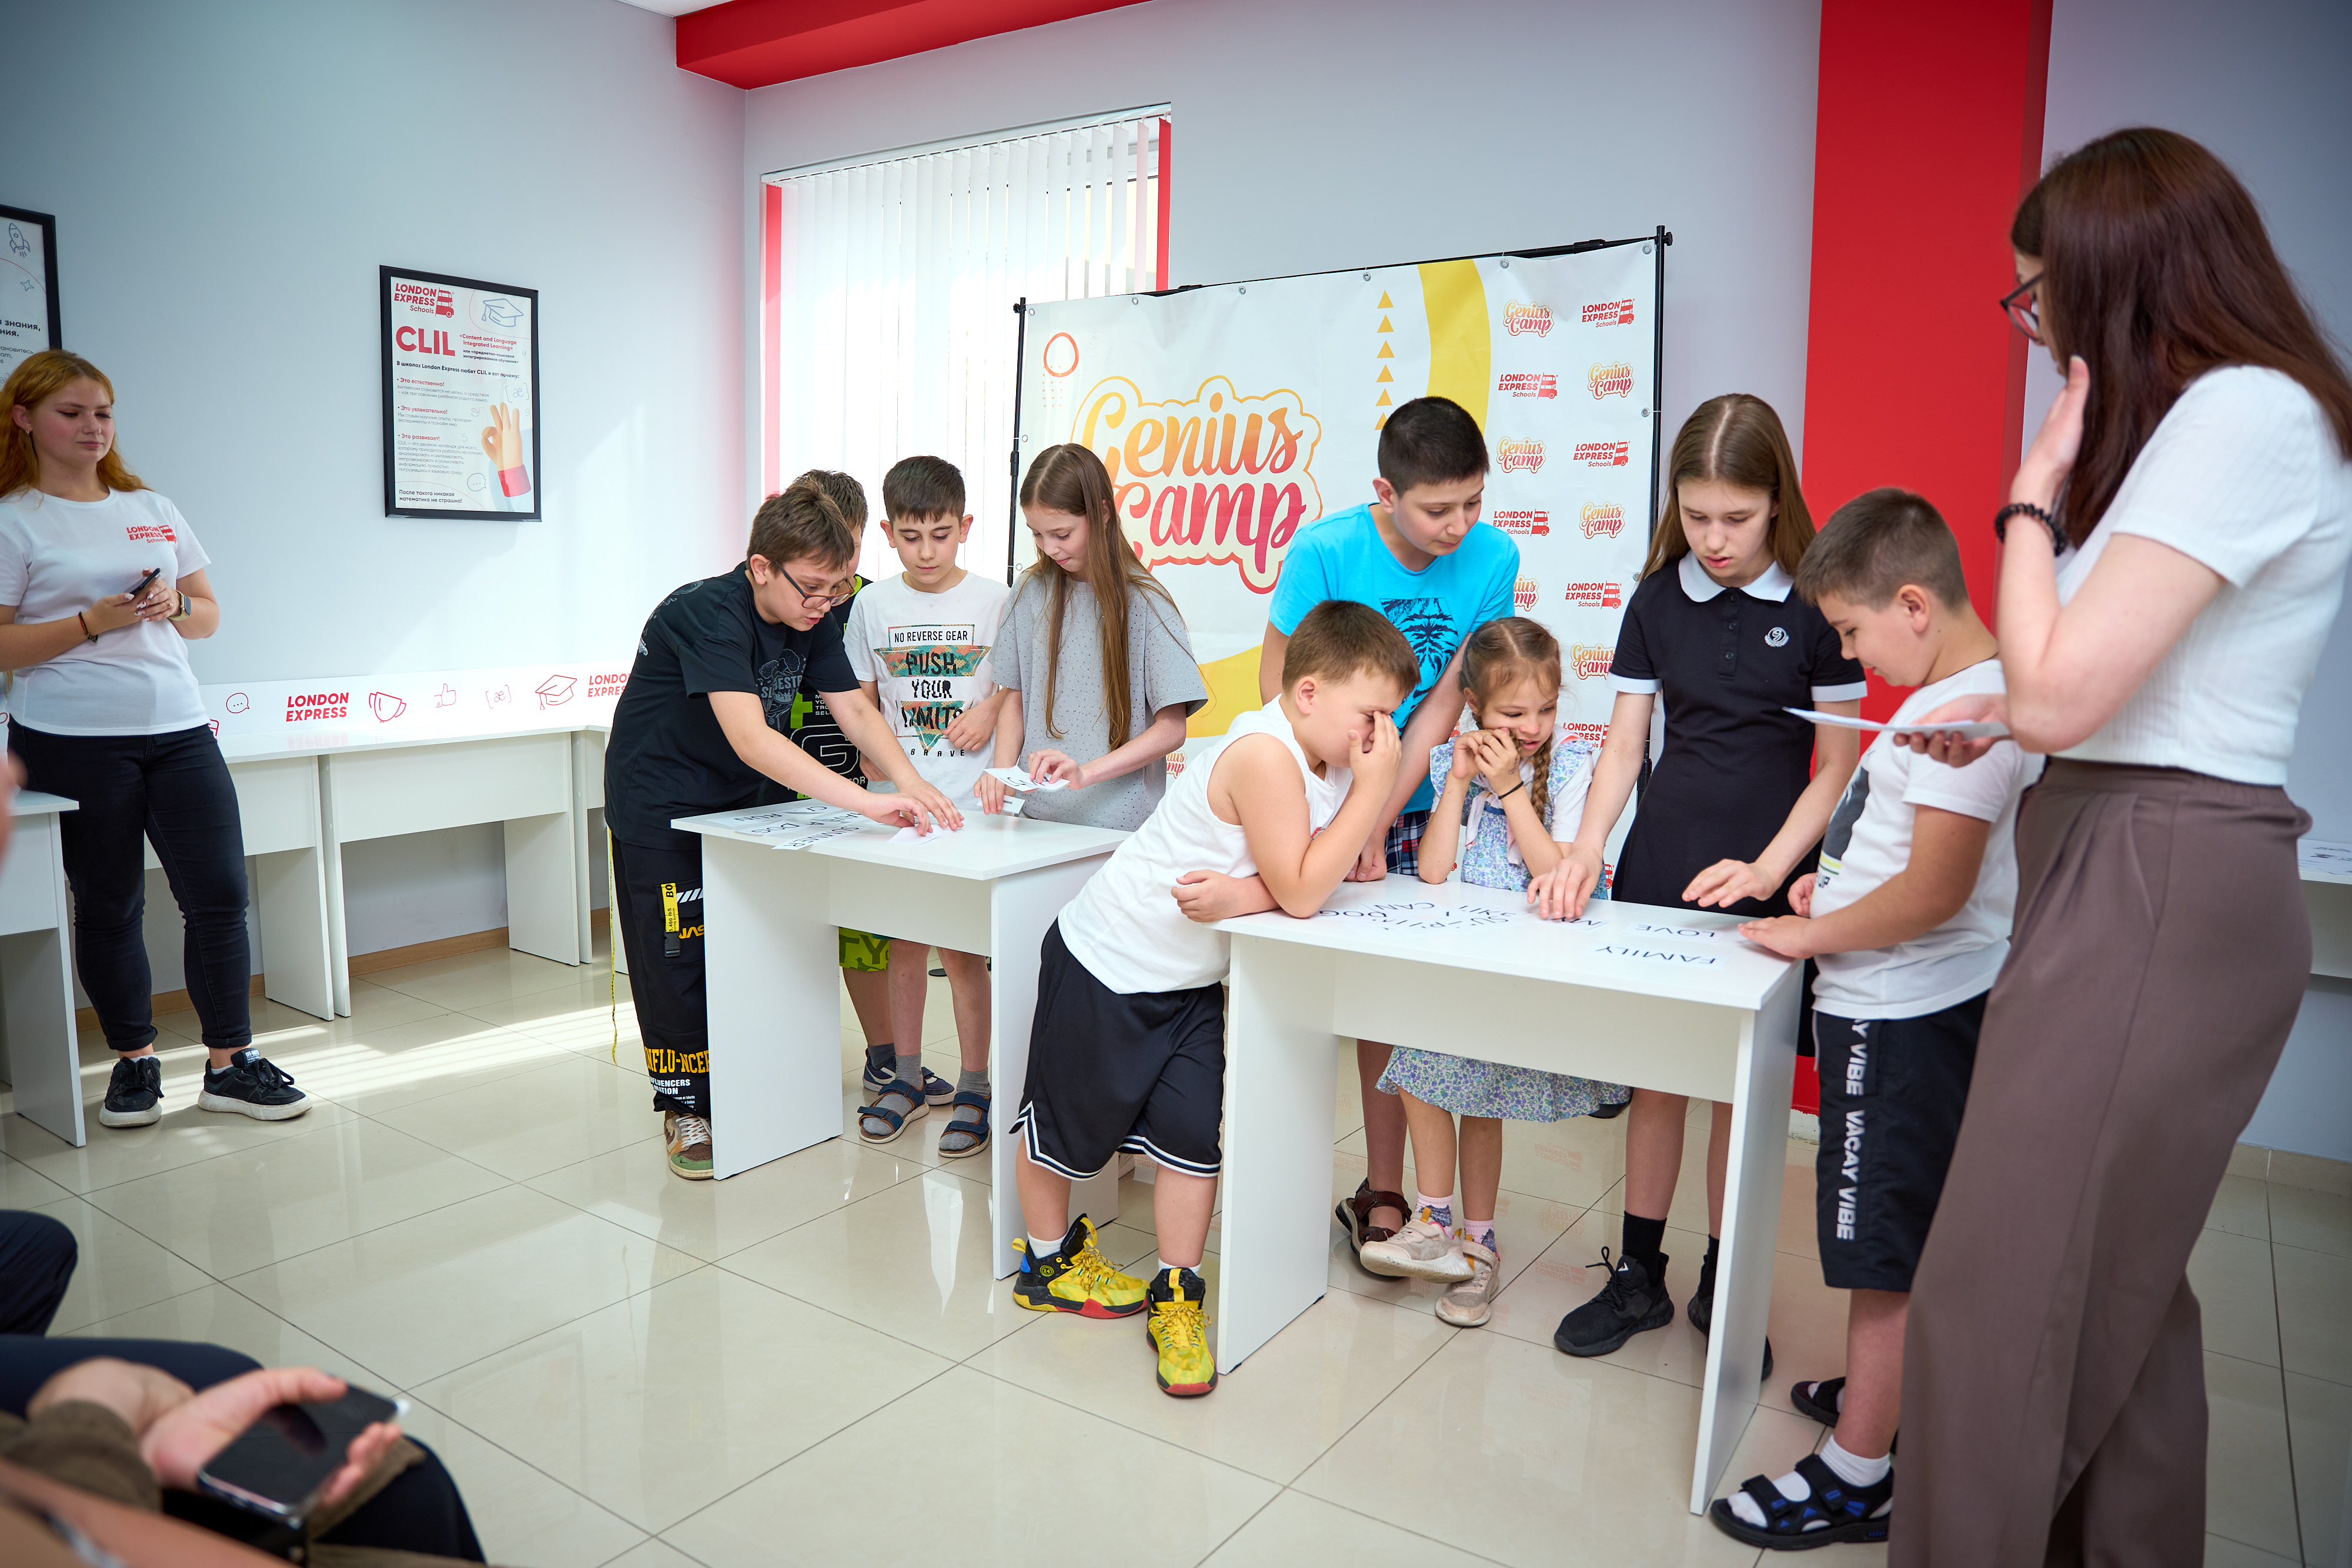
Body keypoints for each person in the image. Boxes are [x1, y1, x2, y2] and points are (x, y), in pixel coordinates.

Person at [1888, 128, 2352, 1566]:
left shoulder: (2243, 412)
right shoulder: (2206, 427)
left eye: (2035, 293)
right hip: (2128, 845)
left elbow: (2061, 691)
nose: (2031, 325)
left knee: (1989, 1294)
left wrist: (2029, 496)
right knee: (2120, 1302)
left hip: (2158, 871)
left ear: (2117, 277)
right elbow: (2095, 691)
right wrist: (2008, 723)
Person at [1702, 489, 2039, 1549]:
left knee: (1877, 1245)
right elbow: (1898, 854)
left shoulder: (1969, 716)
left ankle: (1857, 1471)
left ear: (1913, 605)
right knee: (1887, 1233)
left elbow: (1935, 891)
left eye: (1852, 632)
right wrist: (1830, 890)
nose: (1852, 654)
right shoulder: (1956, 693)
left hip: (1902, 1015)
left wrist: (1808, 932)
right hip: (1894, 1000)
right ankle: (1877, 1404)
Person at [1008, 600, 1416, 1398]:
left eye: (1391, 718)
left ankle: (1177, 1290)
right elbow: (1304, 889)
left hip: (1189, 980)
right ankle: (1048, 1263)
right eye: (1371, 714)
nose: (1382, 734)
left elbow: (1316, 873)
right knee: (1062, 1128)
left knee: (1191, 1140)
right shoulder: (1265, 753)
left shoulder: (1329, 759)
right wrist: (1370, 794)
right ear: (1308, 693)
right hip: (1106, 962)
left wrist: (1245, 893)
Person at [1533, 393, 1865, 1367]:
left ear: (1777, 504)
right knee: (1658, 1075)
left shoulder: (1819, 604)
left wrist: (1771, 867)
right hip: (1664, 861)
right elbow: (1624, 744)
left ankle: (1727, 1277)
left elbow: (1838, 766)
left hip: (1769, 871)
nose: (1715, 539)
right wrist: (1587, 846)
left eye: (1737, 517)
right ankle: (1640, 1272)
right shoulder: (1655, 602)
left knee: (1740, 1088)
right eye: (1696, 515)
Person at [602, 477, 961, 1178]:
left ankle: (755, 1083)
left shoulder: (811, 616)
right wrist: (864, 804)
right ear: (761, 567)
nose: (825, 603)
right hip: (661, 803)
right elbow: (752, 738)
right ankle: (685, 1107)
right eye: (813, 588)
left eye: (837, 588)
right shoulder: (706, 612)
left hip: (744, 803)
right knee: (676, 956)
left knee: (762, 943)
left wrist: (907, 780)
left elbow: (853, 710)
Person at [0, 350, 306, 1131]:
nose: (93, 427)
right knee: (109, 905)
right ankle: (133, 1061)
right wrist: (88, 623)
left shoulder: (152, 505)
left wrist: (174, 605)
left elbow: (207, 615)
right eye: (72, 413)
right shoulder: (13, 518)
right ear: (25, 418)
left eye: (103, 412)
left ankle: (230, 1064)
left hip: (179, 729)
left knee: (221, 896)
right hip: (71, 739)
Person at [1259, 395, 1518, 1263]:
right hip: (1327, 796)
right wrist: (1348, 813)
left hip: (1419, 805)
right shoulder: (1325, 549)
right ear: (1386, 492)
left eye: (1473, 502)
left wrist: (1381, 812)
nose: (1460, 525)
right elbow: (1280, 688)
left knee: (1410, 1007)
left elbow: (1444, 701)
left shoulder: (1494, 556)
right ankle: (1342, 1186)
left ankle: (1410, 1197)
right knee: (1331, 996)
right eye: (1438, 508)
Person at [1358, 616, 1630, 1326]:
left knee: (1480, 1103)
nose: (1532, 726)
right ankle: (1438, 1224)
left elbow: (1558, 874)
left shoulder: (1570, 767)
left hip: (1525, 965)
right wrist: (1457, 783)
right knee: (1418, 1070)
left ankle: (1473, 1244)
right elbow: (1434, 870)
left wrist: (1510, 788)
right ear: (1474, 704)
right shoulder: (1457, 760)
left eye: (1545, 709)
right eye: (1513, 713)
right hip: (1462, 957)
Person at [846, 456, 1007, 1154]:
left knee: (964, 953)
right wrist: (880, 769)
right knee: (903, 942)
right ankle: (906, 1078)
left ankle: (975, 1085)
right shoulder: (871, 606)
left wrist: (990, 711)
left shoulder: (997, 600)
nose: (926, 552)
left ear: (965, 526)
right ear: (887, 533)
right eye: (910, 537)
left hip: (972, 804)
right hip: (899, 805)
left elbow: (1017, 688)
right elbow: (862, 703)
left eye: (940, 535)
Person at [780, 469, 953, 1116]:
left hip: (865, 794)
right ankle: (785, 1061)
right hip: (780, 791)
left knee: (867, 929)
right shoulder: (775, 594)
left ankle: (885, 1056)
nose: (832, 577)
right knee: (786, 928)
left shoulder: (873, 602)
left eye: (846, 550)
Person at [977, 443, 1206, 827]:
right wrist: (1002, 778)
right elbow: (1014, 698)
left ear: (1102, 513)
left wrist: (1085, 773)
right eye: (1037, 535)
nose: (1050, 548)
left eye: (1062, 534)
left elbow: (1172, 730)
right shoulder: (1029, 591)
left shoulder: (1146, 602)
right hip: (1036, 822)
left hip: (1119, 829)